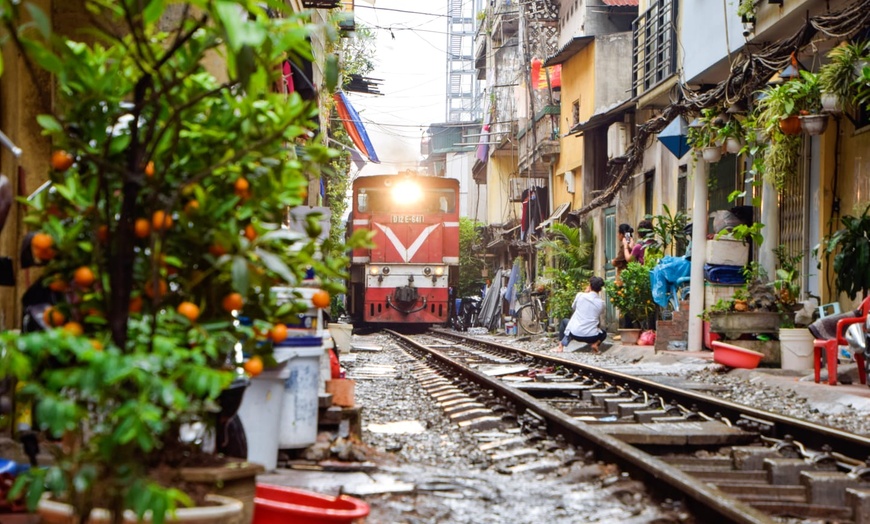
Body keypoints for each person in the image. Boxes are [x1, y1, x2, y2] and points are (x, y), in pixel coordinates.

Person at [557, 276, 607, 353]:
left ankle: (561, 346)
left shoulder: (580, 295)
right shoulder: (602, 303)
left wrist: (585, 293)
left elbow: (573, 307)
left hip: (575, 334)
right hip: (592, 337)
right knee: (603, 333)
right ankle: (595, 344)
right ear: (600, 289)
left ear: (589, 286)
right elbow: (599, 313)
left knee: (566, 322)